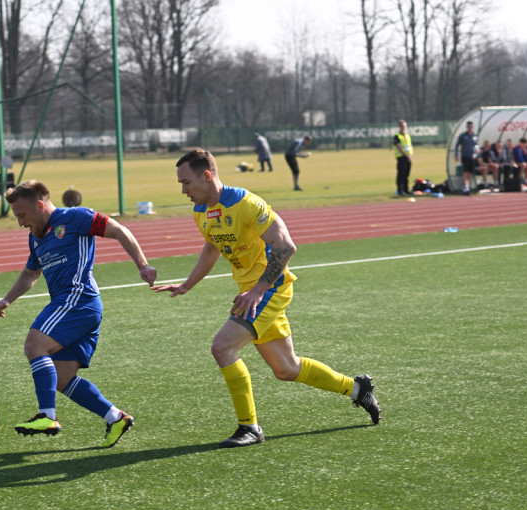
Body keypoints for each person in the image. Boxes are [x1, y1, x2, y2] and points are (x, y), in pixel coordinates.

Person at [152, 148, 380, 448]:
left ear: (207, 176)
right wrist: (187, 284)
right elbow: (211, 248)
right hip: (250, 293)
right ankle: (356, 388)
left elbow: (285, 246)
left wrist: (258, 289)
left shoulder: (247, 203)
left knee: (222, 348)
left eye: (186, 182)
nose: (183, 190)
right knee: (286, 368)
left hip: (270, 289)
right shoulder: (201, 212)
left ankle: (249, 428)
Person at [0, 180, 157, 447]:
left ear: (40, 205)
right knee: (62, 378)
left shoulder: (76, 217)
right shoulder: (35, 235)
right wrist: (7, 299)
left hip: (78, 300)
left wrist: (143, 265)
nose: (20, 222)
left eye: (22, 215)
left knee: (35, 345)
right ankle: (116, 417)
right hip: (75, 307)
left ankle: (47, 416)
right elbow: (32, 273)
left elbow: (119, 230)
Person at [453, 121, 478, 195]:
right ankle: (466, 187)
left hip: (472, 157)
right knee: (465, 172)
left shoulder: (475, 136)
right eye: (468, 126)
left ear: (472, 127)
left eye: (471, 126)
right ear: (467, 127)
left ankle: (467, 187)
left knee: (470, 172)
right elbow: (456, 145)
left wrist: (477, 152)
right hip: (465, 156)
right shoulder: (463, 136)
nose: (470, 127)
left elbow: (476, 146)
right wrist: (456, 154)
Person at [393, 120, 413, 196]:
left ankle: (406, 189)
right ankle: (400, 190)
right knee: (401, 174)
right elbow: (399, 147)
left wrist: (411, 155)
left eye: (404, 126)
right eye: (401, 126)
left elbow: (410, 145)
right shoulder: (397, 136)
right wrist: (406, 155)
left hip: (408, 157)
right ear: (399, 127)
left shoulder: (407, 135)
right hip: (401, 157)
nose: (403, 127)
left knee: (406, 175)